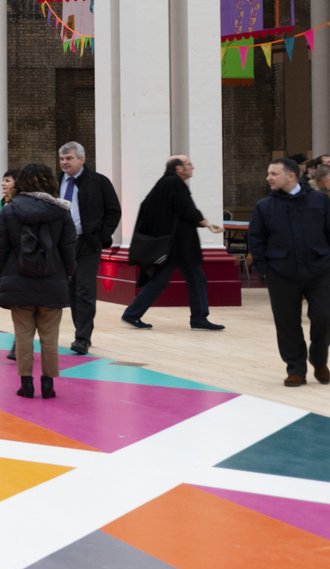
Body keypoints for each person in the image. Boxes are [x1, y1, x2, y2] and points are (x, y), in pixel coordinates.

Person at [0, 163, 77, 399]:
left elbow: (1, 246)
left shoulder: (10, 210)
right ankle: (48, 384)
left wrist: (2, 272)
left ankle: (26, 384)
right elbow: (69, 247)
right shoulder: (61, 210)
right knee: (50, 338)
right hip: (53, 279)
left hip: (18, 279)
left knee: (23, 336)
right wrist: (67, 273)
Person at [248, 159, 330, 387]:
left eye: (274, 173)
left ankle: (319, 359)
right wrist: (266, 269)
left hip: (319, 271)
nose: (269, 177)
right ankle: (296, 368)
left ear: (291, 175)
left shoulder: (319, 200)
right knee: (287, 324)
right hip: (282, 273)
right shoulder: (264, 206)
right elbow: (256, 239)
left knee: (324, 317)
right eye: (268, 173)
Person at [121, 155, 226, 332]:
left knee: (165, 280)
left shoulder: (163, 183)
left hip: (172, 243)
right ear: (179, 169)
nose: (193, 167)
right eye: (188, 164)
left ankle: (133, 313)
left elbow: (153, 208)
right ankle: (199, 318)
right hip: (179, 244)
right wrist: (205, 222)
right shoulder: (174, 184)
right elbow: (186, 209)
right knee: (194, 278)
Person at [59, 141, 122, 355]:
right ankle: (80, 329)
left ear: (82, 159)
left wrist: (102, 235)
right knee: (72, 290)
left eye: (69, 158)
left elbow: (114, 210)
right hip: (63, 244)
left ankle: (82, 338)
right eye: (62, 159)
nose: (64, 162)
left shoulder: (98, 182)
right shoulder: (56, 182)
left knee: (84, 289)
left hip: (87, 243)